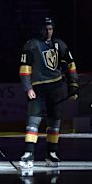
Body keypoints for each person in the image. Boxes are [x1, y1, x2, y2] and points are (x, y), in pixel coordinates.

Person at [19, 17, 79, 168]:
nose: (48, 31)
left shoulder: (60, 44)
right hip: (38, 87)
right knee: (33, 120)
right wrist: (28, 88)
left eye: (51, 28)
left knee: (55, 121)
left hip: (56, 87)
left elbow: (71, 65)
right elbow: (24, 69)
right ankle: (29, 153)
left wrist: (73, 85)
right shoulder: (31, 45)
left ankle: (52, 153)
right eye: (46, 28)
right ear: (40, 29)